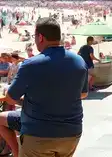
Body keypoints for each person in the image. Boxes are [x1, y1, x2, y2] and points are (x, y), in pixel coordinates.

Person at [5, 17, 88, 157]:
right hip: (71, 133)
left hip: (38, 133)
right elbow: (83, 94)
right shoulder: (78, 61)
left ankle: (16, 152)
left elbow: (10, 99)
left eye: (35, 36)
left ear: (40, 37)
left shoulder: (30, 64)